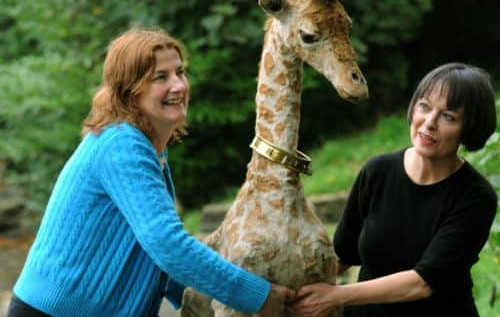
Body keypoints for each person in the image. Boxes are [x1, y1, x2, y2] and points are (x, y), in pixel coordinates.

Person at [8, 28, 294, 317]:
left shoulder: (150, 149)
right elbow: (166, 244)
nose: (178, 86)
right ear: (129, 90)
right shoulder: (121, 143)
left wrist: (226, 299)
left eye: (180, 73)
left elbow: (156, 259)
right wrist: (257, 296)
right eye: (161, 77)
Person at [288, 62, 498, 317]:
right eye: (425, 106)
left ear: (469, 129)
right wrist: (286, 291)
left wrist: (336, 296)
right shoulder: (377, 171)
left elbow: (422, 283)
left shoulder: (475, 197)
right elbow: (341, 255)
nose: (429, 122)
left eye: (448, 117)